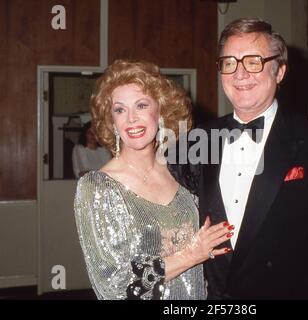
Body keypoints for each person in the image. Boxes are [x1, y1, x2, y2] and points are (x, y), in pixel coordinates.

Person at [191, 18, 308, 299]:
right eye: (229, 62)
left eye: (253, 61)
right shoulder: (200, 137)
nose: (240, 74)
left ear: (279, 71)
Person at [73, 59, 233, 300]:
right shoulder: (97, 187)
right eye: (119, 109)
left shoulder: (183, 173)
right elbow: (113, 286)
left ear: (161, 111)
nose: (131, 118)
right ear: (111, 120)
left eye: (141, 105)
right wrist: (193, 254)